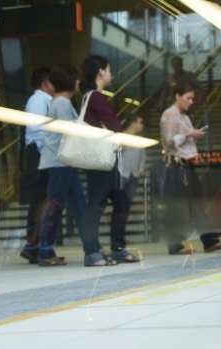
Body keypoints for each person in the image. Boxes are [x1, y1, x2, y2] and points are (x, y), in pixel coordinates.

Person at [80, 55, 138, 266]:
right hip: (99, 160)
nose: (111, 74)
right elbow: (115, 128)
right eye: (109, 70)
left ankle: (118, 248)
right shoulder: (95, 96)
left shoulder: (89, 97)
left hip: (103, 159)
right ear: (101, 72)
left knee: (121, 201)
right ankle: (92, 252)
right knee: (96, 204)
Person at [36, 64, 86, 266]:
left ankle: (91, 246)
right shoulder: (62, 104)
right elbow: (71, 132)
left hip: (62, 161)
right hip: (60, 162)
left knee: (78, 205)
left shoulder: (58, 102)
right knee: (55, 206)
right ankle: (44, 250)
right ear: (72, 82)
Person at [159, 84, 207, 254]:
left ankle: (209, 240)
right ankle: (174, 245)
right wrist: (189, 134)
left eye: (192, 99)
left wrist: (196, 147)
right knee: (177, 205)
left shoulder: (185, 117)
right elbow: (169, 141)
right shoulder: (168, 115)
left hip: (188, 163)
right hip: (176, 164)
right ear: (177, 96)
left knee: (198, 201)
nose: (191, 102)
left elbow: (188, 143)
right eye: (188, 98)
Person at [19, 67, 55, 264]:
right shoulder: (38, 100)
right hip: (39, 155)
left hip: (42, 155)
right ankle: (33, 245)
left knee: (43, 200)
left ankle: (36, 245)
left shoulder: (44, 100)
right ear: (45, 83)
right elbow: (36, 129)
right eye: (53, 82)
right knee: (40, 201)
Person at [120, 114, 146, 202]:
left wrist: (141, 170)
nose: (142, 125)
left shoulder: (140, 139)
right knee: (119, 202)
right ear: (133, 123)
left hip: (134, 175)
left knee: (128, 201)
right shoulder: (121, 136)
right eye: (140, 123)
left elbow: (143, 157)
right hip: (122, 174)